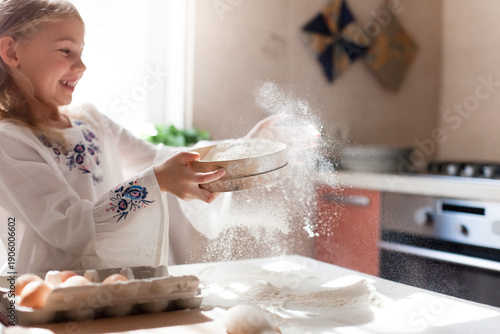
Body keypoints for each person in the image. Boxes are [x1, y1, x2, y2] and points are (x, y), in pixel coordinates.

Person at [0, 0, 304, 274]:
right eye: (66, 51)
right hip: (44, 301)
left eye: (81, 53)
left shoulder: (90, 120)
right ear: (12, 52)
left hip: (111, 289)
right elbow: (71, 226)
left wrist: (244, 151)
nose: (81, 66)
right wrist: (156, 181)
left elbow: (158, 158)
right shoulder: (8, 140)